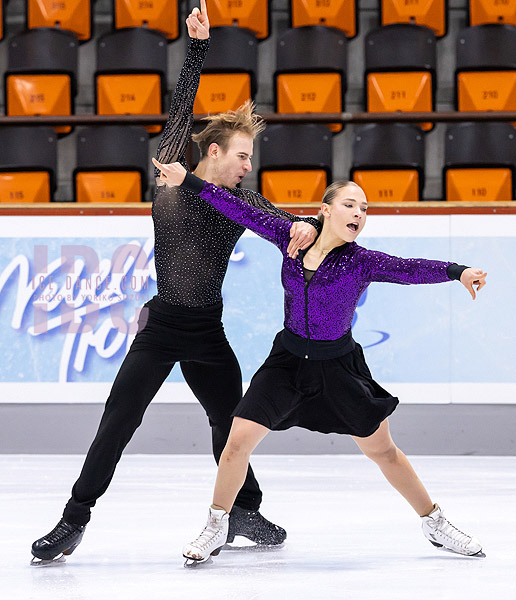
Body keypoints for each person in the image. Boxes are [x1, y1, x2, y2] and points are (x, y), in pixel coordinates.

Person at [30, 1, 320, 565]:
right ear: (212, 151)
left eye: (251, 158)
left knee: (232, 424)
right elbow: (180, 107)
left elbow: (283, 224)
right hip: (163, 326)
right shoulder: (170, 172)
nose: (247, 165)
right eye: (241, 155)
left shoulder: (240, 202)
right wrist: (198, 47)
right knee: (119, 420)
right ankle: (72, 521)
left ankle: (244, 509)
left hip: (207, 331)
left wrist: (309, 227)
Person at [150, 161, 487, 565]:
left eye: (365, 209)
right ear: (325, 209)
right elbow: (239, 209)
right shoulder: (288, 236)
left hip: (338, 367)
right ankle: (217, 523)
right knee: (237, 440)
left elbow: (408, 268)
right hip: (287, 363)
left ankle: (434, 522)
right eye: (350, 205)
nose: (359, 214)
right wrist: (187, 181)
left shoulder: (361, 261)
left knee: (384, 452)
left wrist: (457, 271)